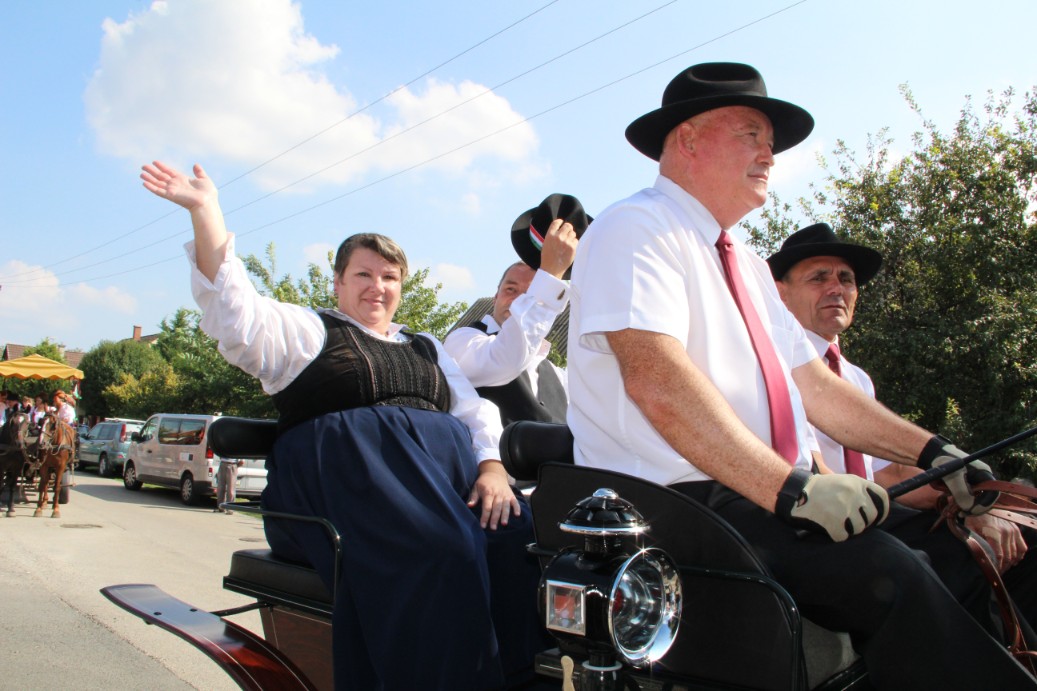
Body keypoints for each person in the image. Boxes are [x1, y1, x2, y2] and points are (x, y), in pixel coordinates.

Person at [567, 61, 1036, 688]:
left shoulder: (748, 264)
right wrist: (795, 491)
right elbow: (658, 382)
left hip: (758, 493)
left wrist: (935, 452)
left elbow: (817, 388)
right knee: (893, 574)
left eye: (771, 142)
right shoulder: (635, 227)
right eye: (751, 135)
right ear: (687, 139)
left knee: (978, 555)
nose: (769, 154)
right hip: (677, 500)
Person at [141, 160, 547, 690]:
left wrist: (491, 468)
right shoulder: (309, 331)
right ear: (338, 282)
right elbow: (235, 315)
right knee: (441, 550)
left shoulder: (427, 345)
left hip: (439, 484)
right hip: (354, 484)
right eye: (364, 275)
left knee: (518, 541)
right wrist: (206, 211)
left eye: (389, 277)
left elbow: (473, 412)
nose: (378, 287)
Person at [769, 221, 1037, 627]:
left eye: (846, 279)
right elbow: (814, 468)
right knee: (962, 557)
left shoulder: (856, 378)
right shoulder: (774, 364)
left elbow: (891, 474)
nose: (836, 288)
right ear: (780, 293)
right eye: (818, 277)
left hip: (878, 515)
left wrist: (973, 499)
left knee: (1026, 539)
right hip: (824, 526)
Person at [443, 194, 587, 426]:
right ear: (495, 297)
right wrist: (550, 274)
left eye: (529, 293)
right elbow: (505, 358)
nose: (519, 300)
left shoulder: (556, 374)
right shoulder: (462, 341)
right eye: (511, 289)